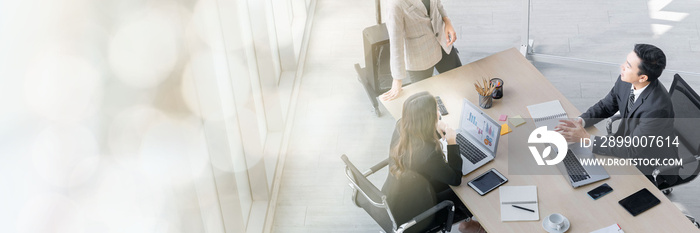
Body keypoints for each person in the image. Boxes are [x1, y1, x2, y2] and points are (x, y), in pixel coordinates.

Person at [556, 44, 678, 186]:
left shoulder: (657, 109)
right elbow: (606, 105)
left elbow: (631, 148)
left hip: (648, 163)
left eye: (628, 65)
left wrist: (586, 138)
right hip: (624, 144)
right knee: (575, 165)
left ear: (643, 77)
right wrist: (580, 121)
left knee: (594, 184)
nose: (622, 67)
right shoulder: (627, 80)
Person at [382, 92, 484, 233]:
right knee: (470, 189)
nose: (438, 112)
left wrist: (434, 128)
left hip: (395, 199)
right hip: (417, 215)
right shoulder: (428, 154)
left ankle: (468, 223)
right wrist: (452, 141)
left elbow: (420, 140)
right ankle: (468, 226)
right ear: (428, 118)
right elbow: (455, 178)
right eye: (435, 110)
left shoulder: (401, 125)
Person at [380, 0, 462, 101]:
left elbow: (437, 4)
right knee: (424, 101)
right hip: (419, 56)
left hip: (442, 42)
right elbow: (396, 41)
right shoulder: (394, 4)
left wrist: (447, 20)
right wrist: (397, 79)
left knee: (459, 82)